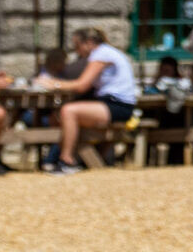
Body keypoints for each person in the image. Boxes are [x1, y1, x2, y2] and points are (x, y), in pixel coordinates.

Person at [52, 26, 139, 174]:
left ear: (90, 42)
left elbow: (81, 85)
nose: (77, 51)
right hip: (113, 104)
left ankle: (67, 160)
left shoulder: (101, 54)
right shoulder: (106, 52)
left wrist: (52, 83)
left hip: (118, 106)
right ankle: (60, 158)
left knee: (69, 111)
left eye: (77, 46)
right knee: (57, 115)